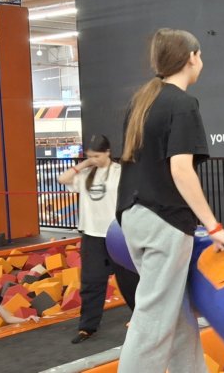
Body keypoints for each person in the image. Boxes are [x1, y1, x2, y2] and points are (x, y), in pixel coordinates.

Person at [116, 28, 224, 373]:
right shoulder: (182, 104)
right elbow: (181, 171)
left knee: (176, 311)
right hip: (163, 221)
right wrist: (214, 226)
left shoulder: (142, 101)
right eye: (200, 55)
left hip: (133, 217)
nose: (202, 62)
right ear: (191, 57)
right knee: (153, 320)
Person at [57, 134, 137, 344]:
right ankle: (87, 327)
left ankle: (141, 317)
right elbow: (62, 179)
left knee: (130, 280)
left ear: (108, 152)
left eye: (97, 156)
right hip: (92, 236)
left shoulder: (119, 172)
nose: (94, 159)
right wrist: (85, 164)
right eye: (90, 156)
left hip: (117, 235)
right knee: (91, 282)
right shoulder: (85, 174)